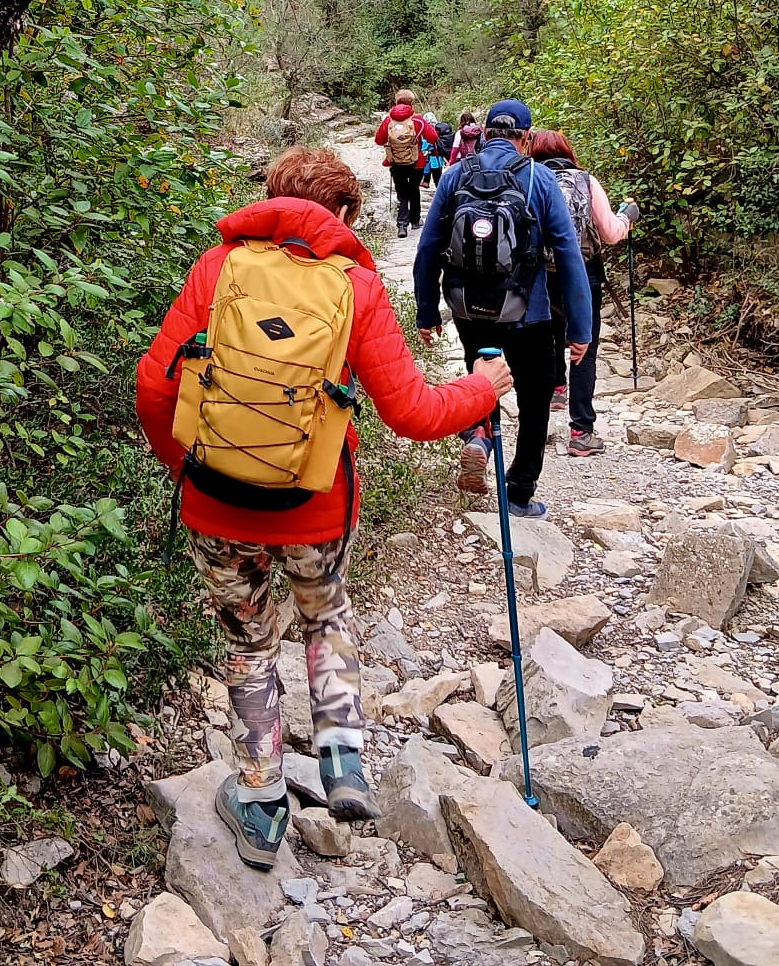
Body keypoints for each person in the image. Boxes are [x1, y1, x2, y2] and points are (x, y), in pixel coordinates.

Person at [136, 147, 513, 870]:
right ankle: (342, 759)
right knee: (326, 615)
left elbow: (154, 387)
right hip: (315, 506)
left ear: (272, 199)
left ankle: (261, 802)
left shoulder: (217, 270)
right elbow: (411, 412)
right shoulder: (355, 287)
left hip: (217, 504)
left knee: (248, 643)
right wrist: (483, 389)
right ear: (340, 211)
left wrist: (188, 465)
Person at [412, 99, 592, 516]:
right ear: (525, 138)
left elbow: (428, 248)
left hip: (468, 309)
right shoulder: (539, 178)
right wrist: (579, 328)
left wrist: (427, 311)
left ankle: (478, 436)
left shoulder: (456, 175)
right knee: (535, 396)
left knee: (482, 378)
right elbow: (568, 254)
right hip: (529, 312)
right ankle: (519, 492)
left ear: (486, 132)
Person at [527, 131, 640, 456]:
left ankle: (553, 395)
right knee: (584, 348)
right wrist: (627, 217)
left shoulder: (528, 181)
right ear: (567, 151)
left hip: (539, 274)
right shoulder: (586, 182)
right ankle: (581, 431)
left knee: (547, 337)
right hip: (583, 272)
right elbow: (611, 233)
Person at [373, 88, 437, 237]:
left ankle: (402, 225)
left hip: (396, 162)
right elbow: (433, 137)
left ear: (396, 102)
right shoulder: (418, 120)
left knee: (402, 192)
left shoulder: (388, 120)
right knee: (414, 189)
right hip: (417, 162)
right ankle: (415, 220)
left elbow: (379, 140)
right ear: (412, 103)